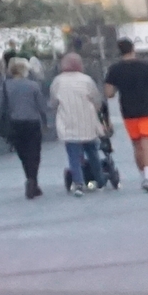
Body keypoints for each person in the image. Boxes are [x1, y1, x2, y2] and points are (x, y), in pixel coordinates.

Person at [103, 37, 148, 192]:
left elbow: (109, 93)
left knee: (137, 145)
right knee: (147, 144)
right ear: (133, 49)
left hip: (128, 111)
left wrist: (121, 87)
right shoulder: (146, 66)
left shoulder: (115, 69)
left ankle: (143, 176)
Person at [50, 53, 105, 195]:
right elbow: (97, 99)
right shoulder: (86, 80)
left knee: (73, 155)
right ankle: (99, 180)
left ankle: (79, 183)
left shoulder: (57, 81)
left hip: (68, 123)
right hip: (87, 122)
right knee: (92, 152)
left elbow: (53, 102)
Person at [1, 56, 50, 199]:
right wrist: (45, 123)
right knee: (34, 153)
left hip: (15, 123)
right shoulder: (33, 86)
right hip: (32, 122)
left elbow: (2, 106)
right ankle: (33, 180)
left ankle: (30, 179)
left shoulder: (6, 86)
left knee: (23, 154)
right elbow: (41, 106)